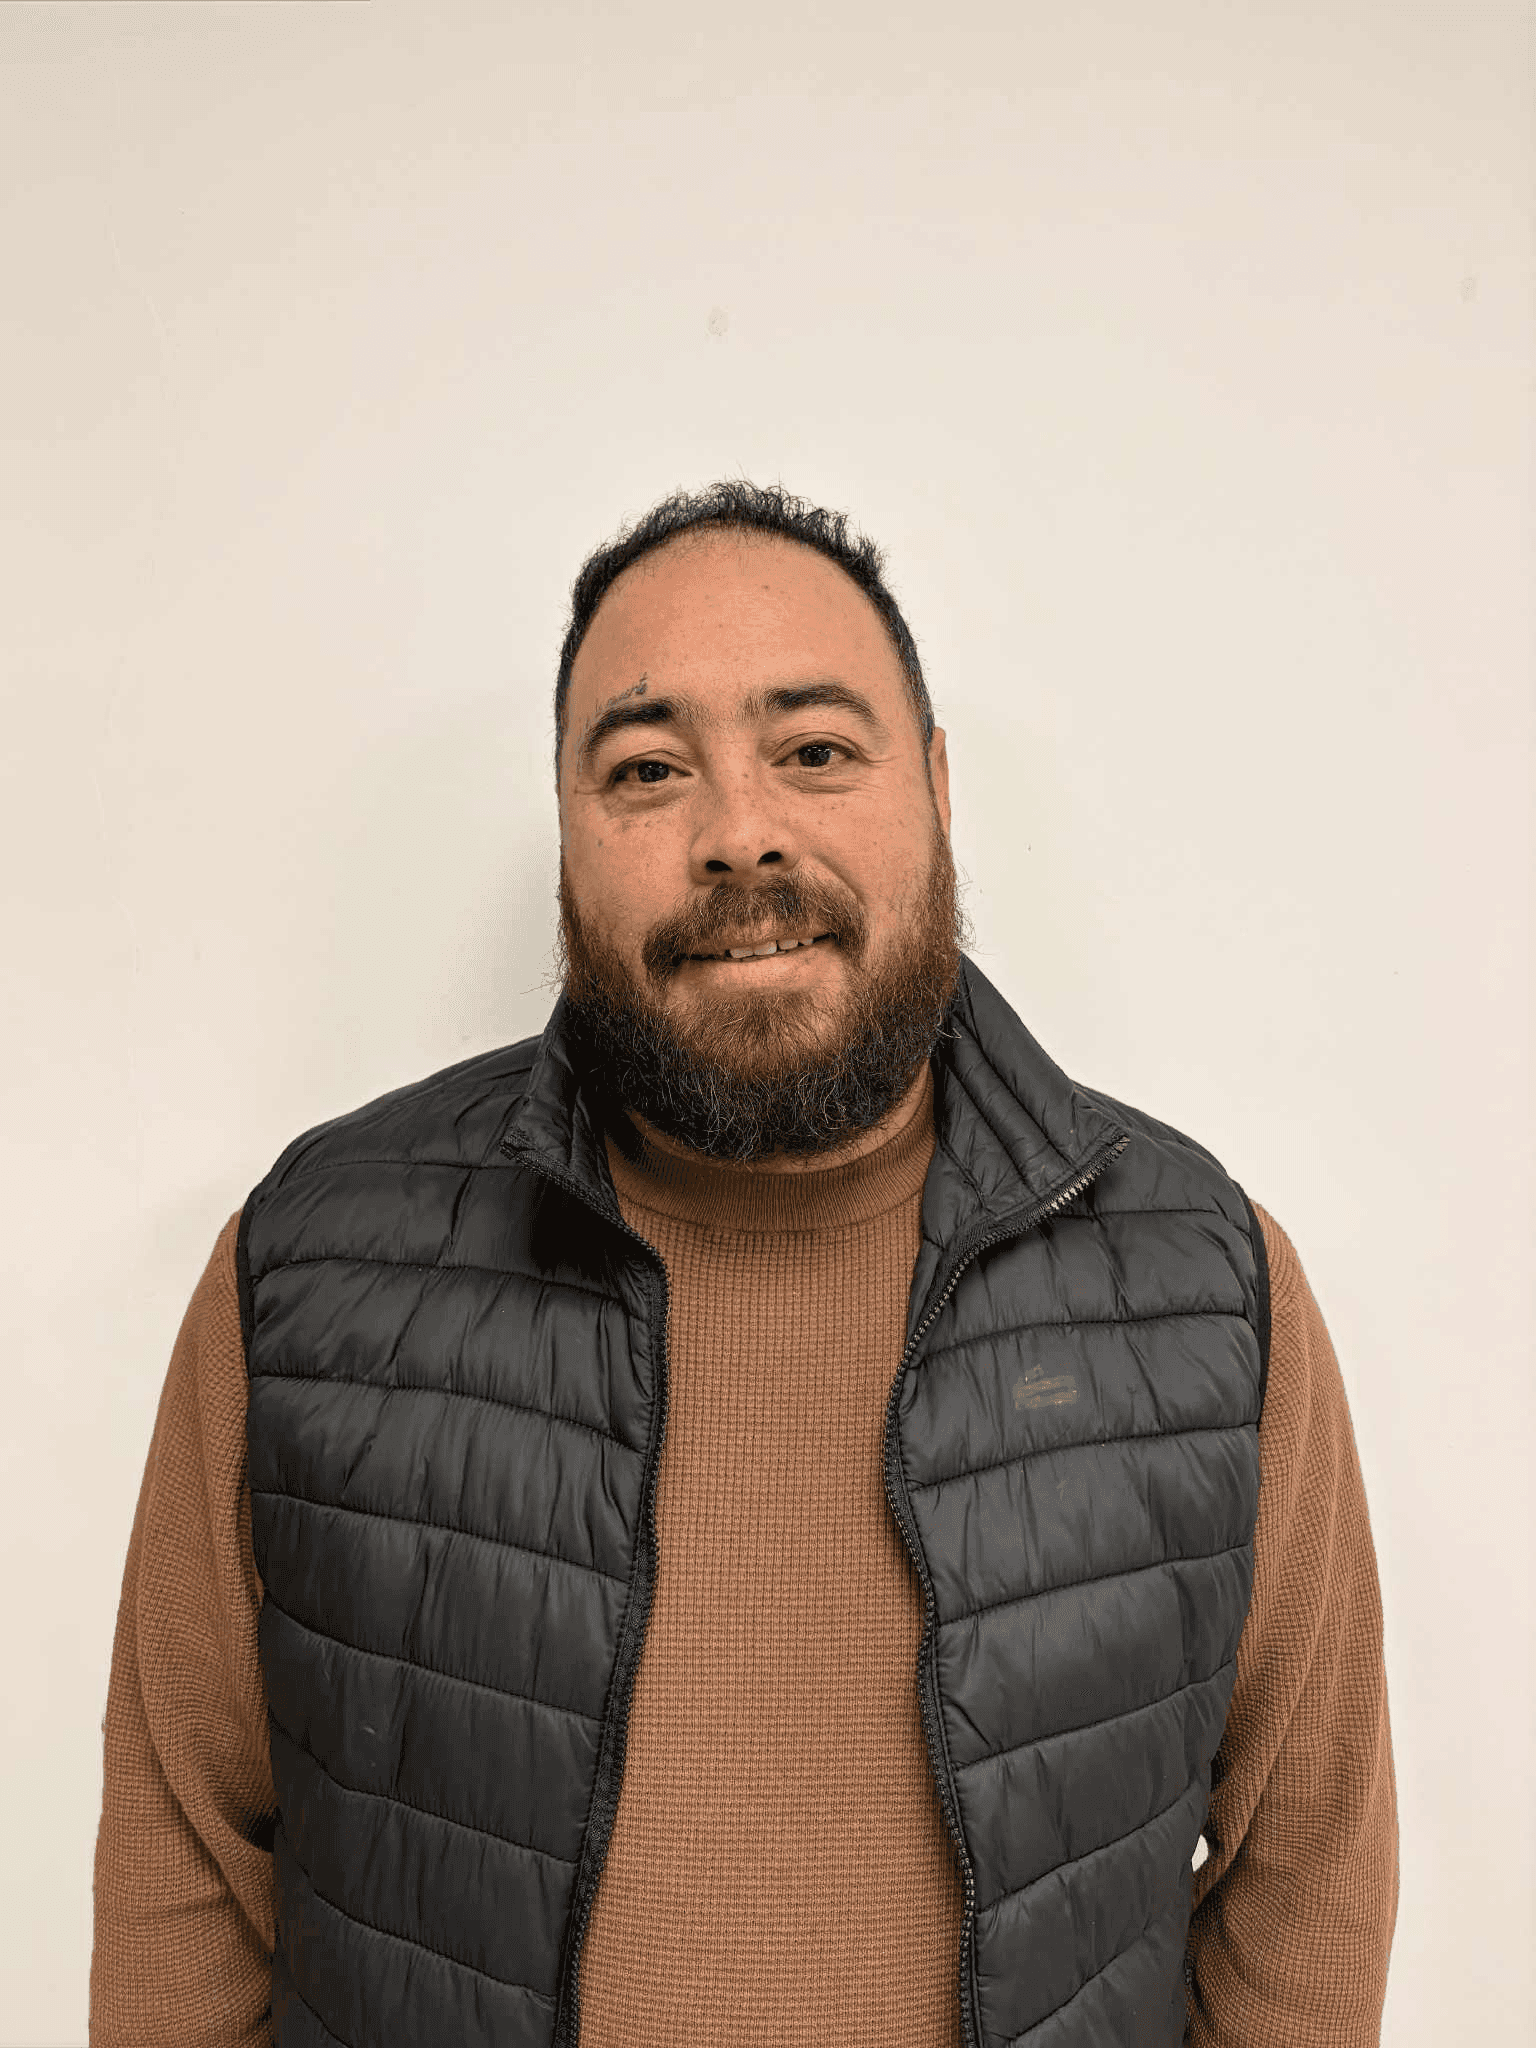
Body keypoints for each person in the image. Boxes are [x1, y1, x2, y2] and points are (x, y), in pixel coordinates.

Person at [90, 481, 1398, 2048]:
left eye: (816, 751)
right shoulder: (308, 1274)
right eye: (648, 771)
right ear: (567, 833)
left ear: (936, 788)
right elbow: (183, 1878)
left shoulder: (1202, 1283)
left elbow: (1306, 1875)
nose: (740, 833)